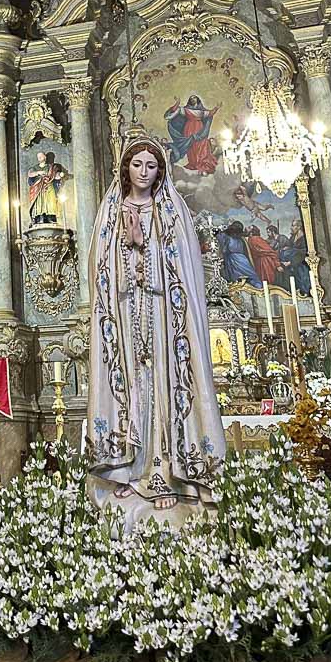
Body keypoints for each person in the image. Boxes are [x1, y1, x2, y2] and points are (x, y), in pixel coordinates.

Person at [88, 134, 226, 528]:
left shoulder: (170, 212)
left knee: (165, 387)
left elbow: (182, 268)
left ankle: (164, 474)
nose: (144, 172)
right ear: (125, 168)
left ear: (160, 171)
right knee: (130, 384)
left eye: (151, 166)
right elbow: (101, 269)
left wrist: (144, 246)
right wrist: (128, 246)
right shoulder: (111, 211)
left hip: (164, 316)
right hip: (125, 314)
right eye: (137, 165)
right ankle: (127, 470)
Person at [215, 220, 262, 289]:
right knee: (237, 279)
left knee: (250, 275)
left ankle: (257, 286)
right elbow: (220, 238)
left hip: (240, 259)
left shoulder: (239, 239)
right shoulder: (228, 237)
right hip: (234, 260)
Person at [27, 150, 67, 224]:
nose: (39, 158)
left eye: (41, 156)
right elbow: (30, 174)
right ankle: (40, 217)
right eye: (38, 157)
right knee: (39, 202)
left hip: (49, 186)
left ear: (45, 157)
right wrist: (38, 172)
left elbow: (55, 175)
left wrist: (60, 175)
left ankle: (51, 217)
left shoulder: (50, 167)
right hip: (39, 187)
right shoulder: (35, 167)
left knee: (51, 200)